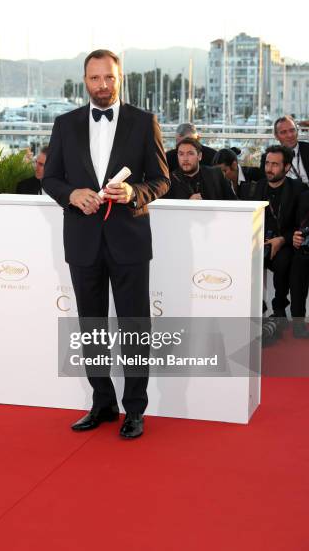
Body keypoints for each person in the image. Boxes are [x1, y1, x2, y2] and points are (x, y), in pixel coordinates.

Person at [43, 49, 170, 439]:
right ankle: (102, 402)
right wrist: (72, 194)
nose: (102, 85)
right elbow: (50, 178)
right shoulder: (65, 124)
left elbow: (163, 180)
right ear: (85, 81)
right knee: (91, 326)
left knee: (134, 327)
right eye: (95, 78)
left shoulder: (144, 122)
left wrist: (133, 191)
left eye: (109, 78)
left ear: (120, 79)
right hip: (83, 240)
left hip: (129, 239)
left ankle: (135, 409)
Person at [250, 145, 307, 321]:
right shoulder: (256, 188)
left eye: (275, 164)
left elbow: (301, 224)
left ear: (287, 167)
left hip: (285, 242)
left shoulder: (298, 189)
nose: (269, 168)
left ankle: (279, 308)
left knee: (285, 260)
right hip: (257, 241)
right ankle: (254, 310)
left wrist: (282, 239)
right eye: (267, 163)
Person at [164, 137, 236, 200]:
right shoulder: (168, 182)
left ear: (199, 156)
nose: (185, 159)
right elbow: (163, 212)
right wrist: (187, 205)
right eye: (181, 154)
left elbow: (233, 203)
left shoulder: (216, 175)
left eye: (190, 153)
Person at [260, 116, 309, 183]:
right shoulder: (268, 157)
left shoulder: (307, 148)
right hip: (284, 192)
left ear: (297, 132)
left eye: (292, 130)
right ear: (276, 136)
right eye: (283, 132)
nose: (289, 135)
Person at [290, 190, 309, 338]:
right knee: (299, 264)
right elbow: (292, 223)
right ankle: (298, 324)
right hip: (303, 249)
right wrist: (293, 236)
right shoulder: (303, 196)